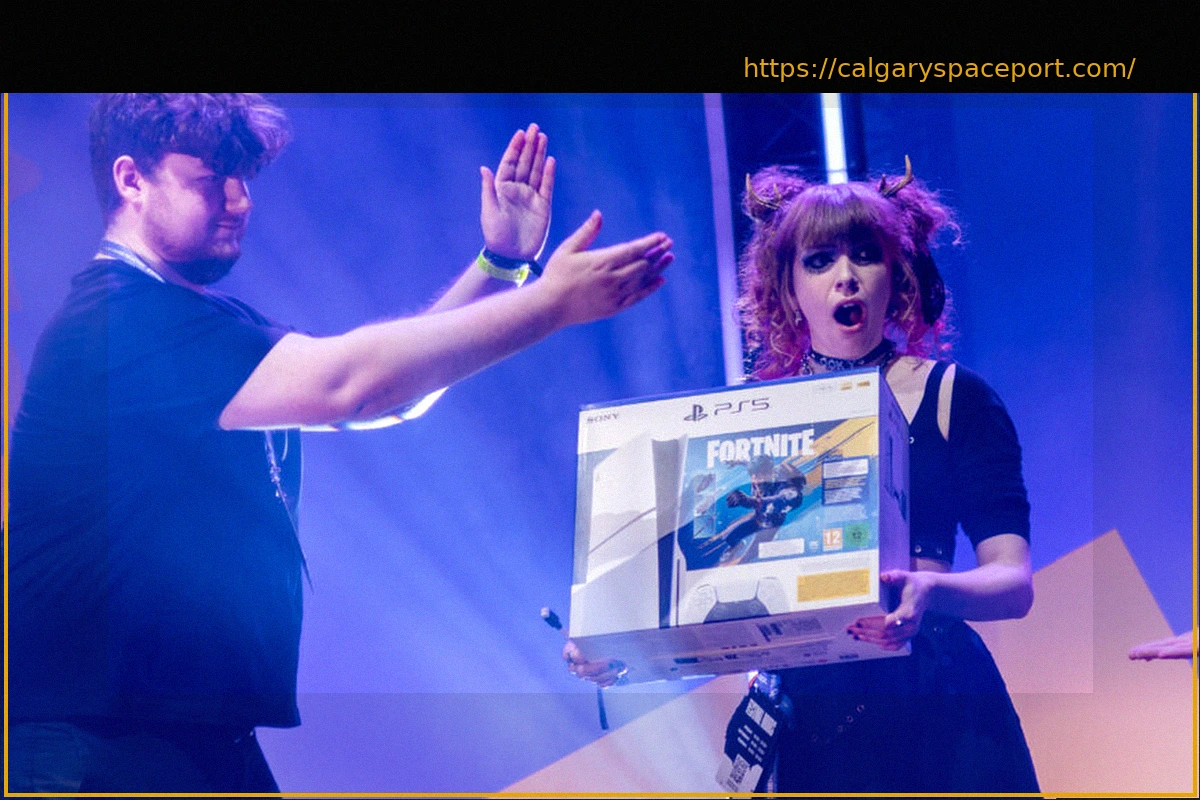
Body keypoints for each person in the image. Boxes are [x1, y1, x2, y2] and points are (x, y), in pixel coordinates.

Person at [7, 93, 674, 793]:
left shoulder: (190, 319)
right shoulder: (116, 322)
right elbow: (352, 386)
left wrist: (502, 266)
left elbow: (389, 393)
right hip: (95, 748)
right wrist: (550, 303)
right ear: (131, 180)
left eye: (244, 179)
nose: (239, 200)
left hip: (187, 740)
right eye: (211, 180)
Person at [566, 160, 1039, 793]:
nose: (846, 276)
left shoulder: (955, 395)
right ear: (787, 290)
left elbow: (1013, 581)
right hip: (812, 722)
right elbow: (715, 596)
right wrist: (622, 648)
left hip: (939, 705)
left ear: (895, 273)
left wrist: (930, 593)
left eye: (865, 255)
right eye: (819, 261)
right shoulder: (756, 421)